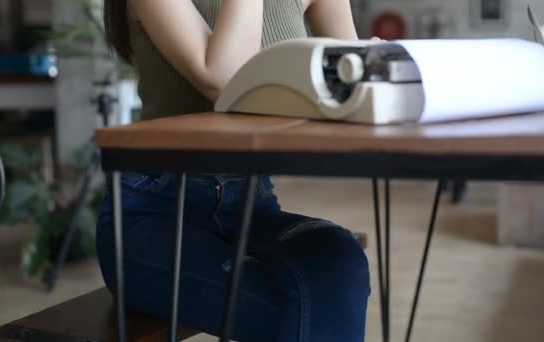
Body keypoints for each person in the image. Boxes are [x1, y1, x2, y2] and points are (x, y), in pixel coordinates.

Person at [96, 1, 371, 341]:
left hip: (249, 203)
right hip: (155, 210)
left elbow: (358, 84)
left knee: (342, 263)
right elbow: (225, 79)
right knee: (297, 306)